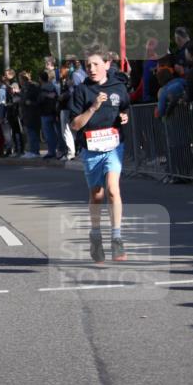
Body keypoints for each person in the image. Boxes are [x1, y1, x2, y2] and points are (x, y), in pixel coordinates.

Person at [69, 47, 130, 264]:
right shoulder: (81, 91)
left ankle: (117, 237)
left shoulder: (118, 87)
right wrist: (93, 107)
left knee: (113, 190)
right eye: (88, 66)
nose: (92, 69)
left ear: (107, 64)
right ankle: (95, 236)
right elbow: (75, 125)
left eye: (96, 64)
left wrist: (124, 117)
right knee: (97, 194)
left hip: (114, 145)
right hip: (91, 149)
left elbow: (125, 109)